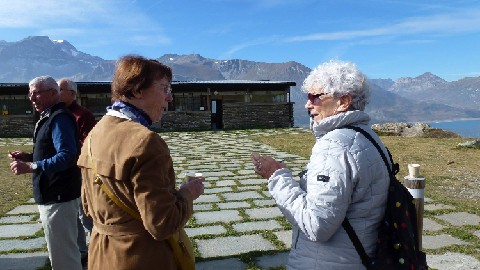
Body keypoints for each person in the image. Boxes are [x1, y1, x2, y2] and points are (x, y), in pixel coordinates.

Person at [251, 60, 390, 270]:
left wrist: (277, 175)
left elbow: (316, 225)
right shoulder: (368, 137)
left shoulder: (334, 147)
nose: (308, 104)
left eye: (315, 97)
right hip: (359, 257)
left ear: (343, 102)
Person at [77, 55, 204, 270]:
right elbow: (162, 224)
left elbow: (88, 208)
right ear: (136, 90)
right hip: (141, 257)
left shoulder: (95, 133)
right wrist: (188, 193)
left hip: (101, 254)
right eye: (164, 89)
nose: (169, 98)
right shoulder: (146, 142)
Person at [9, 76, 82, 270]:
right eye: (30, 94)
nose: (32, 98)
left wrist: (32, 166)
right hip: (53, 194)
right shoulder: (50, 116)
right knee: (63, 252)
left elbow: (67, 155)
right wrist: (29, 156)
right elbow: (51, 151)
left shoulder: (59, 118)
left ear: (52, 93)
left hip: (58, 196)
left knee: (62, 257)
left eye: (36, 93)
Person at [58, 78, 96, 268]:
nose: (57, 92)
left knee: (85, 213)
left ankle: (98, 248)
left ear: (72, 93)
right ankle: (81, 252)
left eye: (60, 89)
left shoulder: (82, 115)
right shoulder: (58, 114)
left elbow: (88, 145)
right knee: (72, 216)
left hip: (79, 171)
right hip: (63, 173)